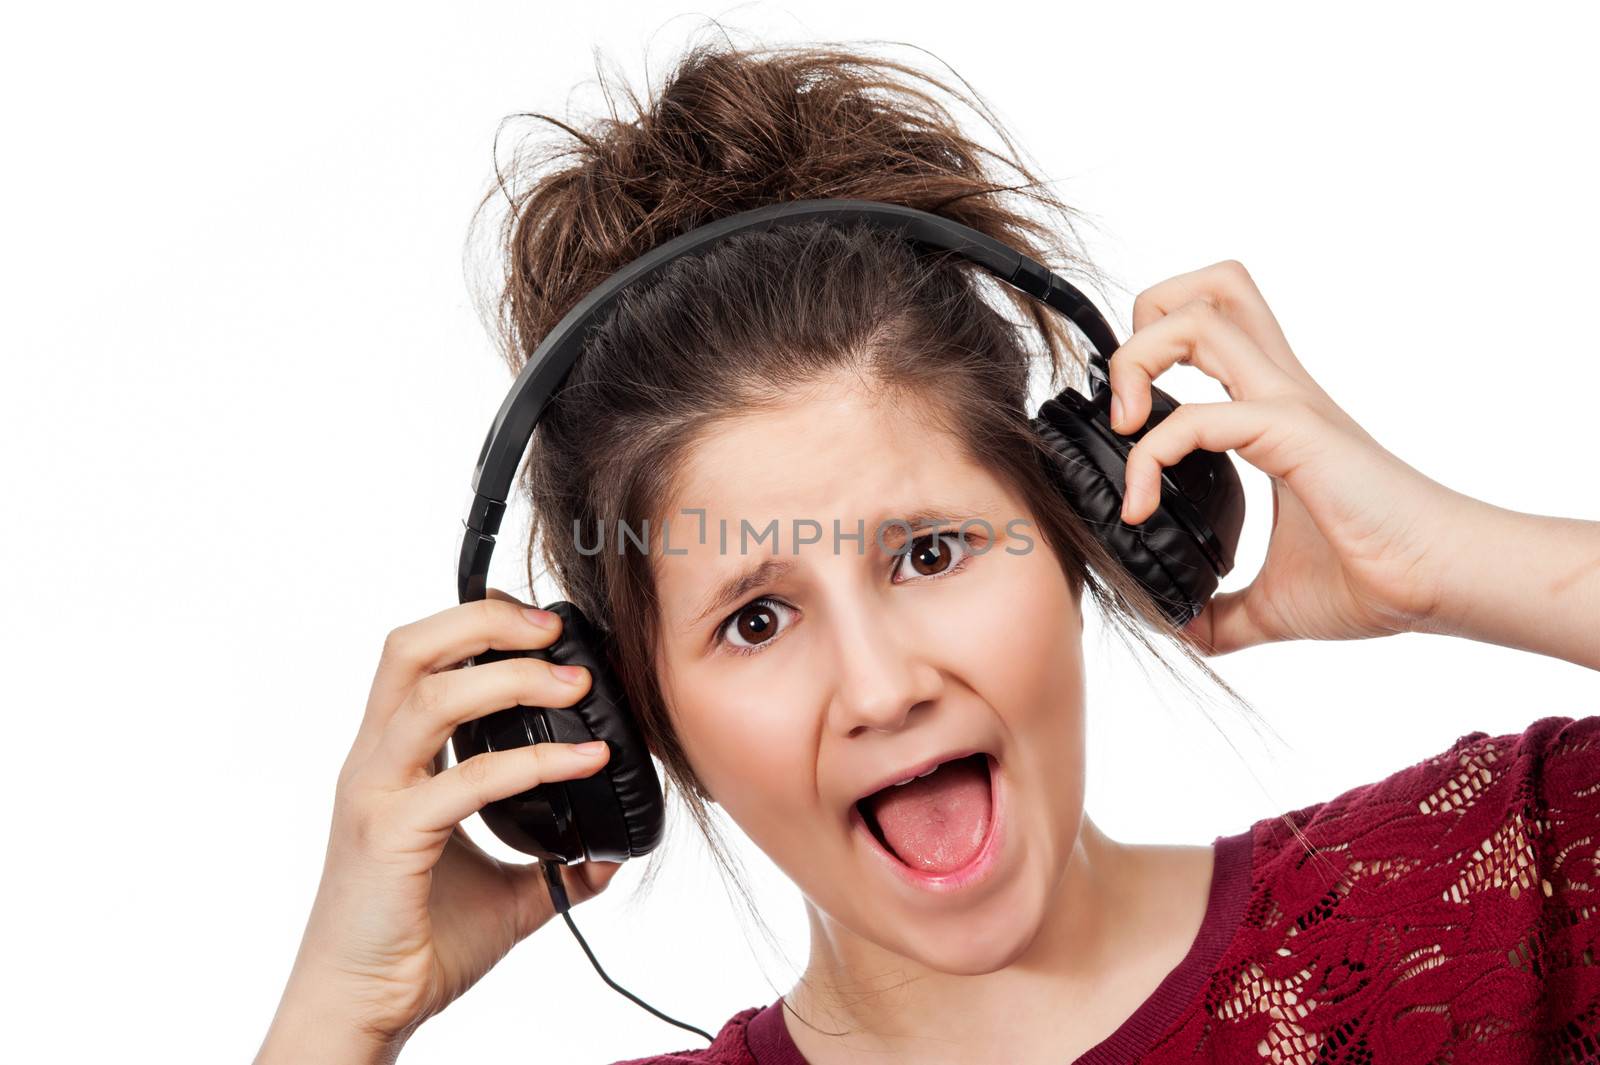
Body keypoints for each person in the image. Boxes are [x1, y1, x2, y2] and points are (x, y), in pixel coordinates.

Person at [253, 36, 1600, 1065]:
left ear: (1092, 527)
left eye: (930, 551)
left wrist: (1460, 558)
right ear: (630, 721)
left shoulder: (1488, 892)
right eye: (756, 619)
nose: (883, 682)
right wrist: (335, 1018)